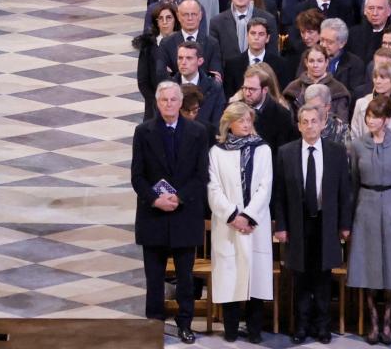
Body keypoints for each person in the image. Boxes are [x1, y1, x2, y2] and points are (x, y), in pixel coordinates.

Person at [131, 81, 209, 344]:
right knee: (154, 279)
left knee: (185, 278)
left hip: (184, 215)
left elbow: (201, 175)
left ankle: (185, 324)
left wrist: (179, 197)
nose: (168, 104)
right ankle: (154, 325)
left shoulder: (198, 132)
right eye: (164, 100)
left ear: (180, 102)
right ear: (157, 102)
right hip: (153, 216)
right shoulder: (143, 132)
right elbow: (137, 176)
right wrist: (156, 200)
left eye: (173, 100)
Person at [272, 102, 353, 345]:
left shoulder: (336, 152)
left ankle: (322, 326)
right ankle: (301, 325)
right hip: (298, 224)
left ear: (322, 123)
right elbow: (280, 195)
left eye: (314, 121)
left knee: (323, 277)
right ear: (298, 125)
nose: (309, 126)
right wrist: (281, 226)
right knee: (301, 277)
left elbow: (344, 192)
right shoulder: (286, 152)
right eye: (304, 122)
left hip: (326, 223)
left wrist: (344, 224)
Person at [206, 100, 273, 343]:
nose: (246, 124)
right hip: (228, 226)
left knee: (255, 278)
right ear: (229, 123)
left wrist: (249, 216)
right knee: (230, 277)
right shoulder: (217, 151)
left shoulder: (263, 149)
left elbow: (266, 187)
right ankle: (231, 330)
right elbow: (213, 189)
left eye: (248, 120)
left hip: (255, 224)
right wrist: (234, 216)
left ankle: (255, 331)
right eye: (241, 120)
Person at [345, 95, 391, 345]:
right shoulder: (358, 145)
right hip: (366, 204)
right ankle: (373, 323)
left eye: (376, 117)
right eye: (368, 116)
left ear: (387, 119)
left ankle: (388, 323)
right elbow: (352, 181)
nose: (371, 120)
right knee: (369, 266)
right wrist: (351, 215)